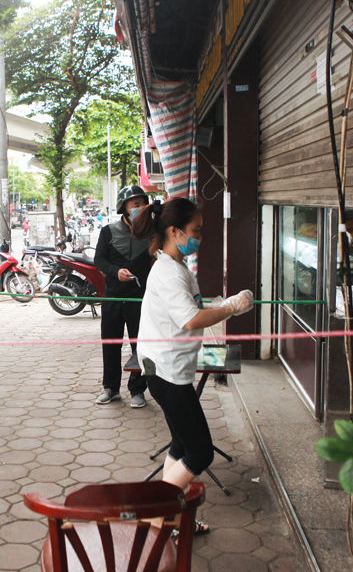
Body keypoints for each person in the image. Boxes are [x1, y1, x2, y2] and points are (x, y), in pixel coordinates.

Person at [133, 197, 253, 536]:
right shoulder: (168, 272)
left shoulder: (176, 266)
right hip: (167, 374)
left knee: (181, 446)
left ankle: (170, 521)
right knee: (200, 453)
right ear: (174, 231)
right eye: (195, 230)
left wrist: (220, 304)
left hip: (169, 368)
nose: (200, 236)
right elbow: (190, 319)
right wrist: (230, 307)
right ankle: (156, 516)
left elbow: (193, 308)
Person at [93, 185, 152, 408]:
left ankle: (138, 390)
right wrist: (115, 272)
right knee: (111, 343)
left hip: (140, 298)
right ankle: (110, 388)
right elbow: (99, 259)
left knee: (141, 345)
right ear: (123, 208)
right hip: (113, 297)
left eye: (142, 204)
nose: (140, 208)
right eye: (135, 205)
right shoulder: (108, 232)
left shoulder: (151, 233)